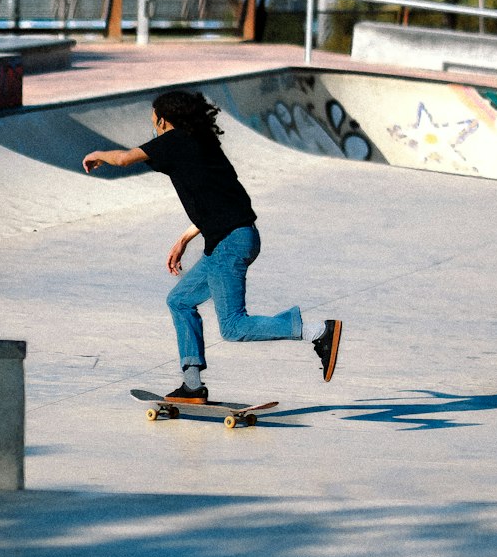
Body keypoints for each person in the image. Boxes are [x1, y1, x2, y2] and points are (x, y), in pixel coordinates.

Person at [83, 87, 341, 401]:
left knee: (233, 326)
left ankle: (318, 331)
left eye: (155, 122)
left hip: (229, 244)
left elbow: (124, 159)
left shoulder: (173, 141)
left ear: (165, 121)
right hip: (234, 237)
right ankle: (192, 384)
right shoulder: (204, 142)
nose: (154, 128)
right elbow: (219, 201)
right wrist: (185, 237)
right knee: (179, 300)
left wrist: (97, 155)